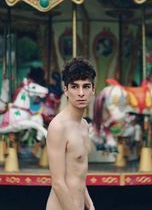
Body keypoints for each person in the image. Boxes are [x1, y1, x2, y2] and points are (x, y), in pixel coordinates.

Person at [46, 57, 96, 210]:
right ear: (66, 90)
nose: (81, 93)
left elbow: (78, 174)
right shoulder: (58, 127)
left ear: (93, 90)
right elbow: (58, 183)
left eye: (86, 87)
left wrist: (90, 205)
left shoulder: (84, 125)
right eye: (75, 87)